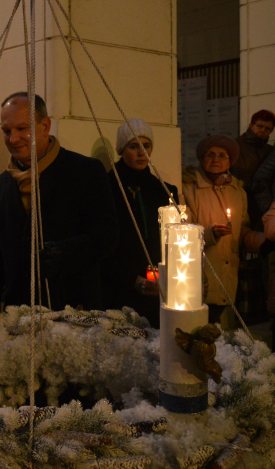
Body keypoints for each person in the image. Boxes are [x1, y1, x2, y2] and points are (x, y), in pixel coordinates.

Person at [0, 92, 118, 314]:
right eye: (7, 131)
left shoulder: (85, 172)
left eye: (22, 129)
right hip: (18, 316)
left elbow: (107, 236)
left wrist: (63, 254)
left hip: (74, 311)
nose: (13, 139)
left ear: (45, 126)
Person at [181, 135, 265, 329]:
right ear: (202, 159)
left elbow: (242, 228)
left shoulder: (237, 191)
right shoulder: (189, 189)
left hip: (228, 274)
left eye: (222, 155)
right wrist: (211, 234)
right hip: (200, 274)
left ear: (230, 161)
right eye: (210, 155)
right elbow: (182, 232)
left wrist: (259, 240)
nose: (216, 160)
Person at [101, 119, 178, 328]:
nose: (141, 153)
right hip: (118, 289)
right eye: (134, 146)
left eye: (146, 146)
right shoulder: (106, 189)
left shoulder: (163, 190)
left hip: (157, 289)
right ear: (121, 150)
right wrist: (132, 279)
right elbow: (102, 245)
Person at [233, 109, 275, 230]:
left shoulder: (268, 151)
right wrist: (250, 185)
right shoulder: (236, 146)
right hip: (237, 197)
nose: (263, 130)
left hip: (259, 203)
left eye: (268, 129)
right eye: (260, 126)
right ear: (251, 125)